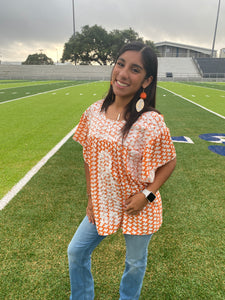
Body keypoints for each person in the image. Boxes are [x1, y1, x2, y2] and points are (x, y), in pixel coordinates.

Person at [68, 41, 177, 300]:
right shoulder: (94, 112)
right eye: (120, 64)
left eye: (135, 69)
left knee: (135, 263)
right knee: (77, 251)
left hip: (139, 205)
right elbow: (88, 156)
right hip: (103, 200)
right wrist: (92, 197)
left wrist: (146, 196)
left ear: (147, 81)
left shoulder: (151, 122)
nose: (123, 73)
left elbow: (169, 161)